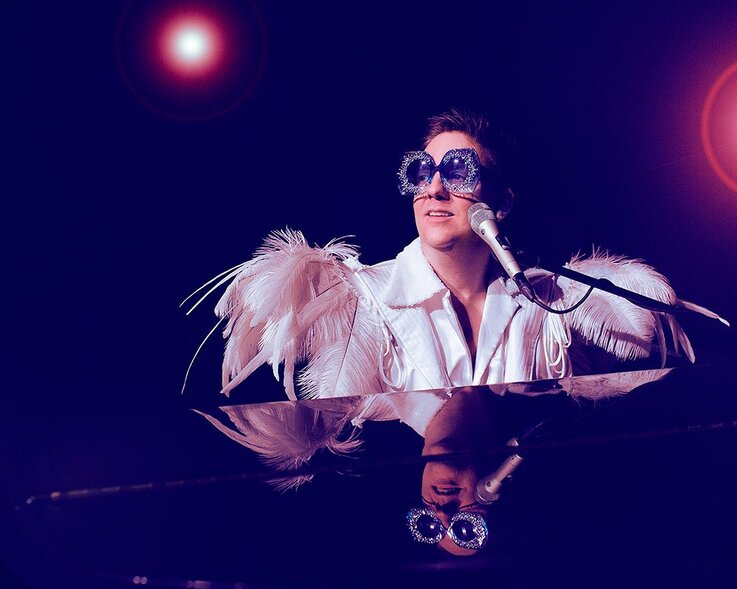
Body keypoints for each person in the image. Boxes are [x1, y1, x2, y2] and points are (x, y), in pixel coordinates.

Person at [192, 108, 694, 402]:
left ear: (502, 203)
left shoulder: (551, 304)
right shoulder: (359, 301)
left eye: (458, 171)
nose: (434, 188)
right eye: (421, 171)